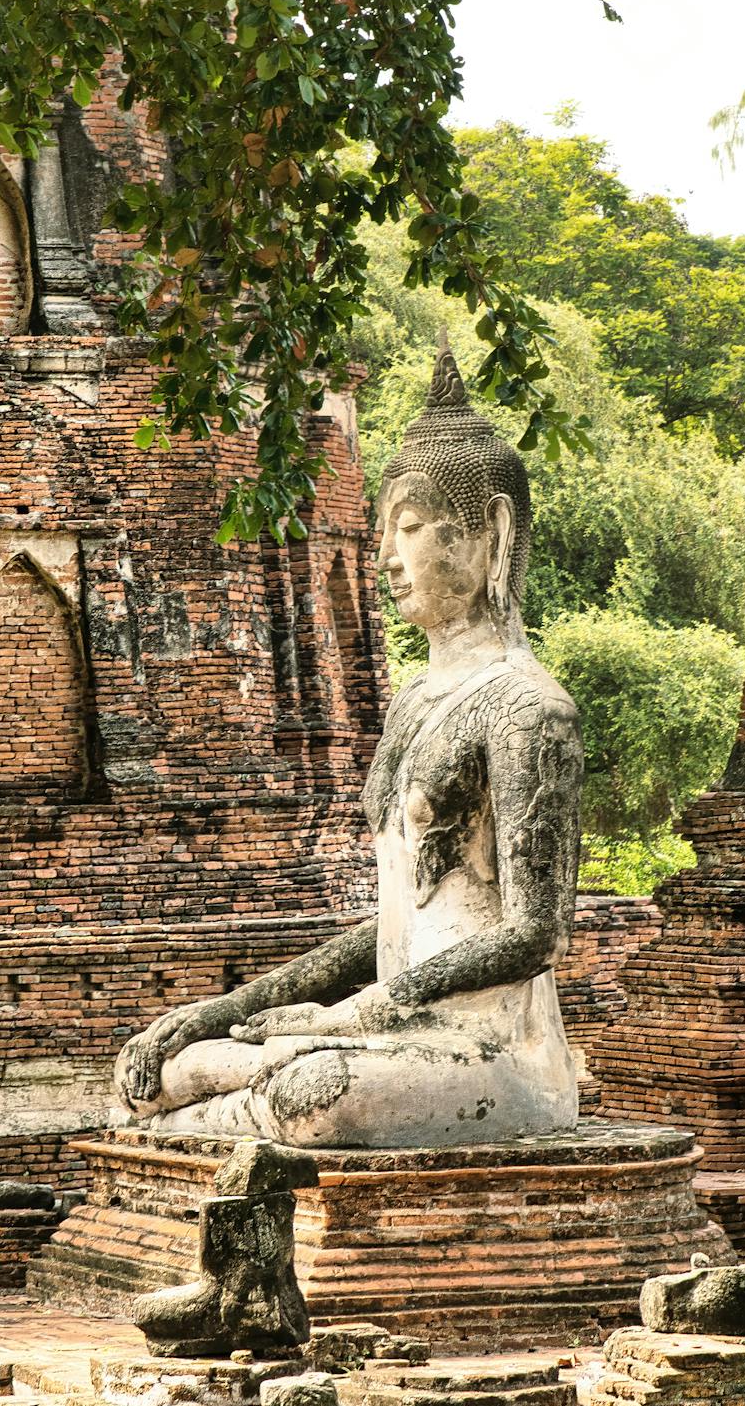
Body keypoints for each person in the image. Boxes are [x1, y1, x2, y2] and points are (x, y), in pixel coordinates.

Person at [114, 348, 583, 1147]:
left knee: (314, 1088)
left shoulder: (531, 708)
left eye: (409, 527)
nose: (385, 558)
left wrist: (352, 1014)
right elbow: (400, 922)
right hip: (395, 1028)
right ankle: (225, 1108)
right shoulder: (412, 704)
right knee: (163, 1065)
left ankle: (233, 1117)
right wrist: (231, 1005)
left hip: (489, 1053)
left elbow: (535, 934)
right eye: (382, 530)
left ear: (491, 534)